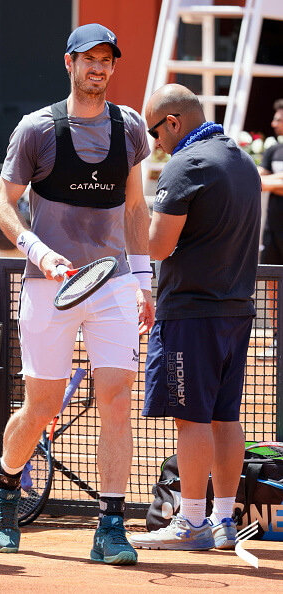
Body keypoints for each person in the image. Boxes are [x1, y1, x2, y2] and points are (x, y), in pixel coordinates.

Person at [0, 23, 155, 565]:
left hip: (113, 287)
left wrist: (144, 281)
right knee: (40, 407)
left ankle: (110, 525)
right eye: (89, 59)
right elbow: (2, 205)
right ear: (69, 63)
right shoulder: (36, 129)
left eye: (107, 60)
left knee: (116, 399)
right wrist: (39, 252)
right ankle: (6, 487)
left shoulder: (129, 127)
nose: (98, 68)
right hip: (47, 285)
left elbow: (134, 208)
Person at [128, 84, 261, 552]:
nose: (155, 143)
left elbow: (158, 245)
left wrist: (133, 217)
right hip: (236, 310)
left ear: (174, 123)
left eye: (155, 132)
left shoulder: (186, 164)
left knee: (192, 420)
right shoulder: (243, 161)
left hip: (192, 314)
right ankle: (223, 521)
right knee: (226, 418)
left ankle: (191, 522)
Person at [258, 99, 283, 357]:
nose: (273, 123)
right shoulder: (273, 149)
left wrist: (271, 181)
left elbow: (266, 180)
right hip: (272, 229)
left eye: (278, 119)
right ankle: (278, 339)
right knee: (274, 284)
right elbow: (258, 181)